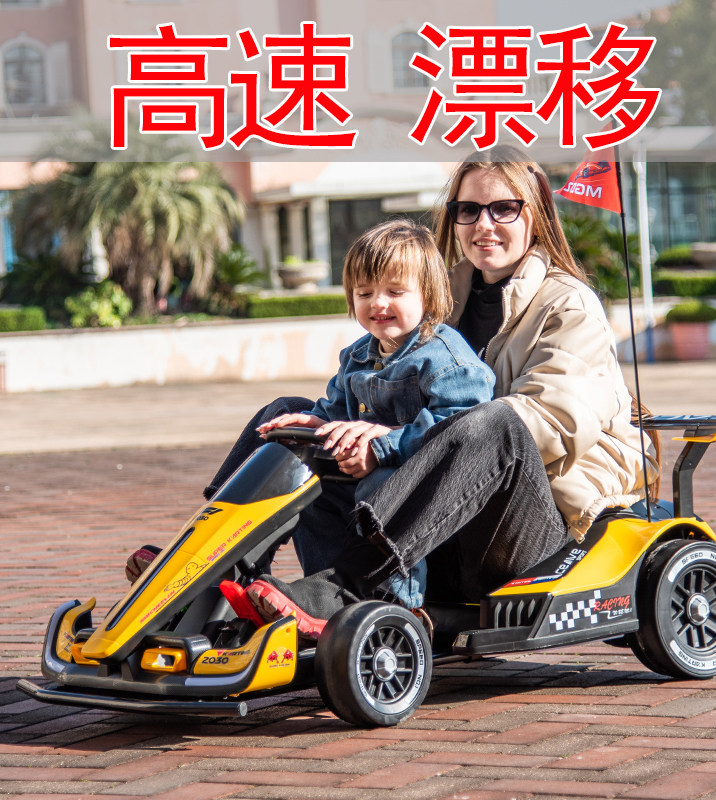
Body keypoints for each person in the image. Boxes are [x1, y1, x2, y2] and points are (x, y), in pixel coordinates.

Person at [234, 146, 661, 640]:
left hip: (534, 528)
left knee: (497, 421)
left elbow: (551, 423)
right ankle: (218, 570)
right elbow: (383, 391)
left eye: (504, 208)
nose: (484, 224)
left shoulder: (570, 305)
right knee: (291, 418)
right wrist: (332, 427)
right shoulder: (436, 296)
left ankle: (347, 589)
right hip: (433, 524)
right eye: (468, 209)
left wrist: (385, 441)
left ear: (536, 214)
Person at [128, 219, 495, 624]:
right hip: (356, 478)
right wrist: (313, 423)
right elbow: (337, 411)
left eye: (395, 292)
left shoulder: (445, 357)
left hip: (412, 500)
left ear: (428, 294)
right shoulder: (357, 355)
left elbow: (462, 432)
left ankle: (386, 595)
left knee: (379, 479)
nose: (378, 303)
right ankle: (218, 551)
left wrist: (383, 445)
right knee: (281, 413)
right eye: (364, 293)